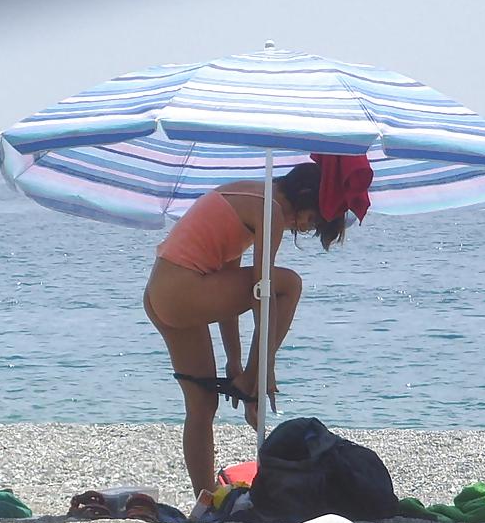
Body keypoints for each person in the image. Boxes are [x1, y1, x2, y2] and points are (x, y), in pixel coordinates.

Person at [143, 158, 369, 497]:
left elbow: (227, 286)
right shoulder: (271, 212)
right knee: (289, 284)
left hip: (162, 291)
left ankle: (205, 499)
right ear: (305, 196)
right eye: (311, 220)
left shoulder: (248, 197)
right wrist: (261, 370)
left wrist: (235, 361)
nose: (305, 228)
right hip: (183, 288)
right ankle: (252, 379)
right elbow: (263, 291)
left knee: (202, 406)